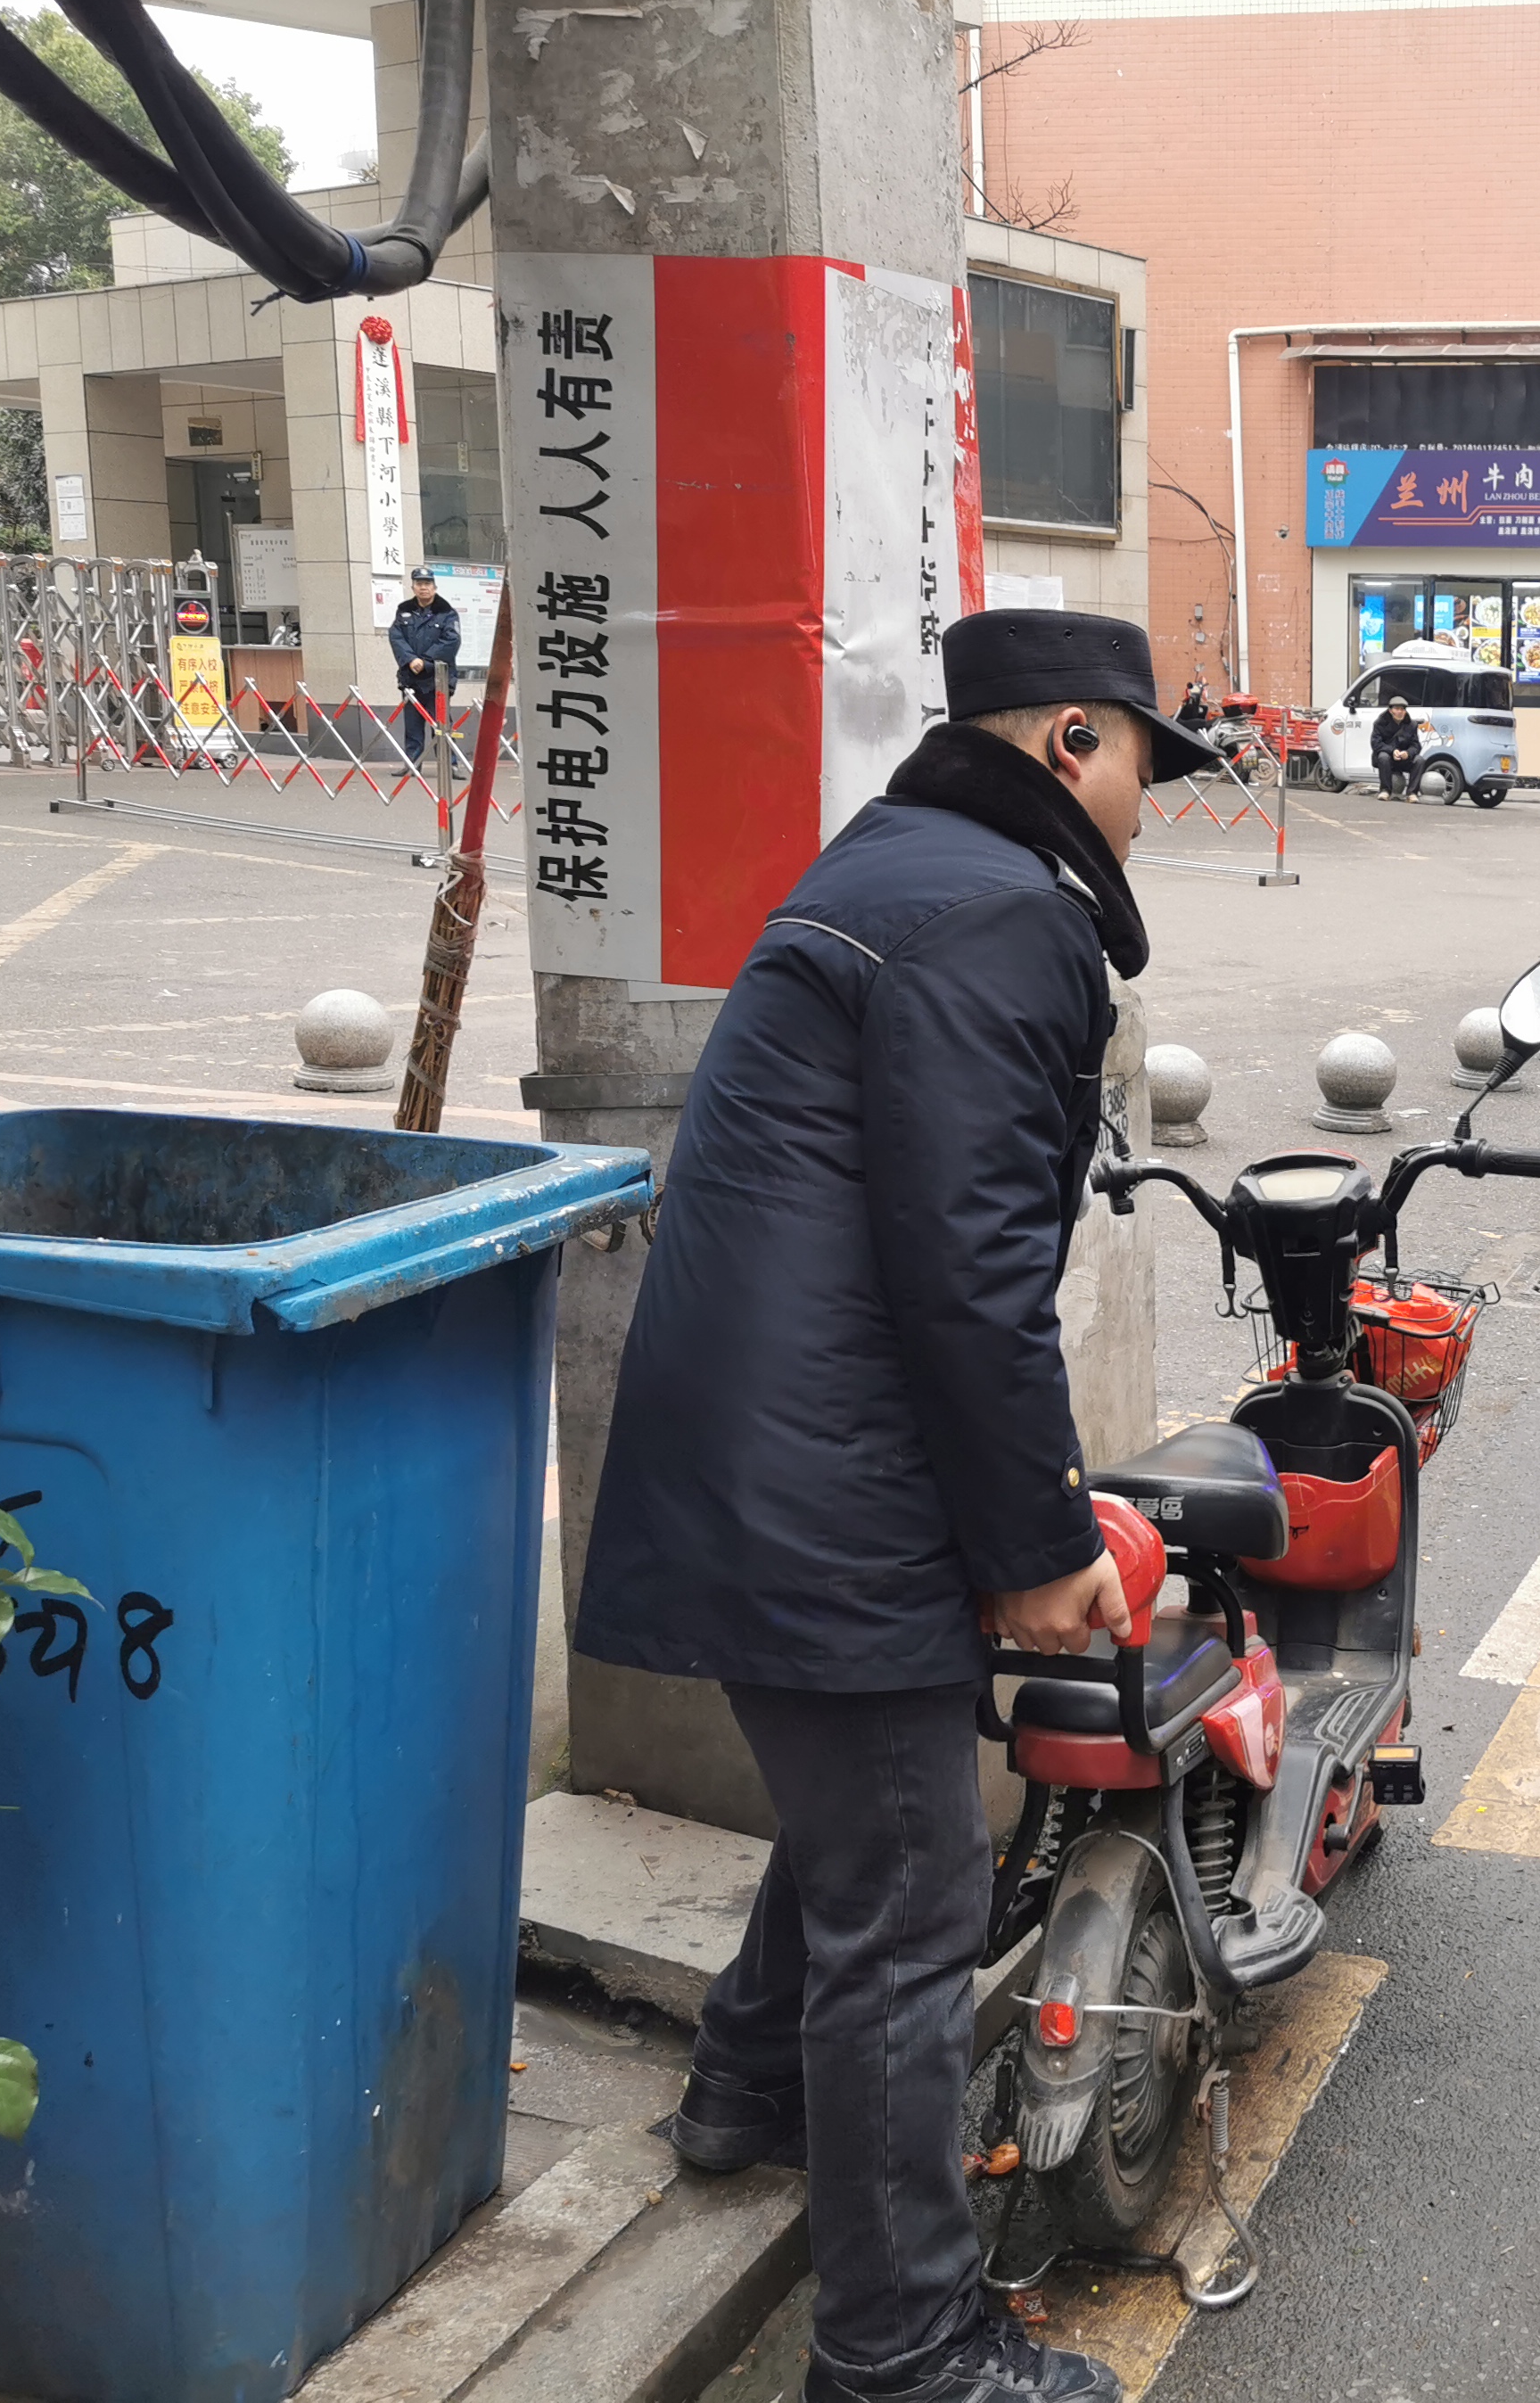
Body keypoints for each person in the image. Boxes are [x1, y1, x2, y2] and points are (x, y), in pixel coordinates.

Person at [575, 608, 1220, 2403]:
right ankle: (901, 2353)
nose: (1148, 802)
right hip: (831, 1472)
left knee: (864, 1819)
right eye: (1143, 762)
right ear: (1073, 742)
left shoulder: (895, 862)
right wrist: (1038, 1546)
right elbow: (969, 1273)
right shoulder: (1004, 913)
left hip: (773, 1448)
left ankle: (748, 2086)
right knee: (911, 1903)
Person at [388, 568, 459, 761]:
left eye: (427, 584)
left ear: (434, 588)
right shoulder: (404, 611)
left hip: (437, 678)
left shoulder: (447, 612)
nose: (423, 588)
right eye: (419, 584)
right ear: (413, 587)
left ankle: (449, 764)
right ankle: (412, 764)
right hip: (411, 677)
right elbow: (396, 637)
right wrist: (411, 659)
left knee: (441, 725)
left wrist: (426, 661)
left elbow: (451, 641)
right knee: (412, 726)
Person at [1370, 691, 1424, 800]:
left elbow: (1416, 745)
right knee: (1383, 757)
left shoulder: (1412, 725)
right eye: (1397, 709)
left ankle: (1412, 793)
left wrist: (1408, 753)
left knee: (1419, 760)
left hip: (1404, 758)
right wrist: (1392, 751)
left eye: (1402, 709)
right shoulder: (1380, 723)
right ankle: (1385, 790)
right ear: (1390, 711)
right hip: (1387, 758)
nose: (1400, 712)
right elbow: (1376, 743)